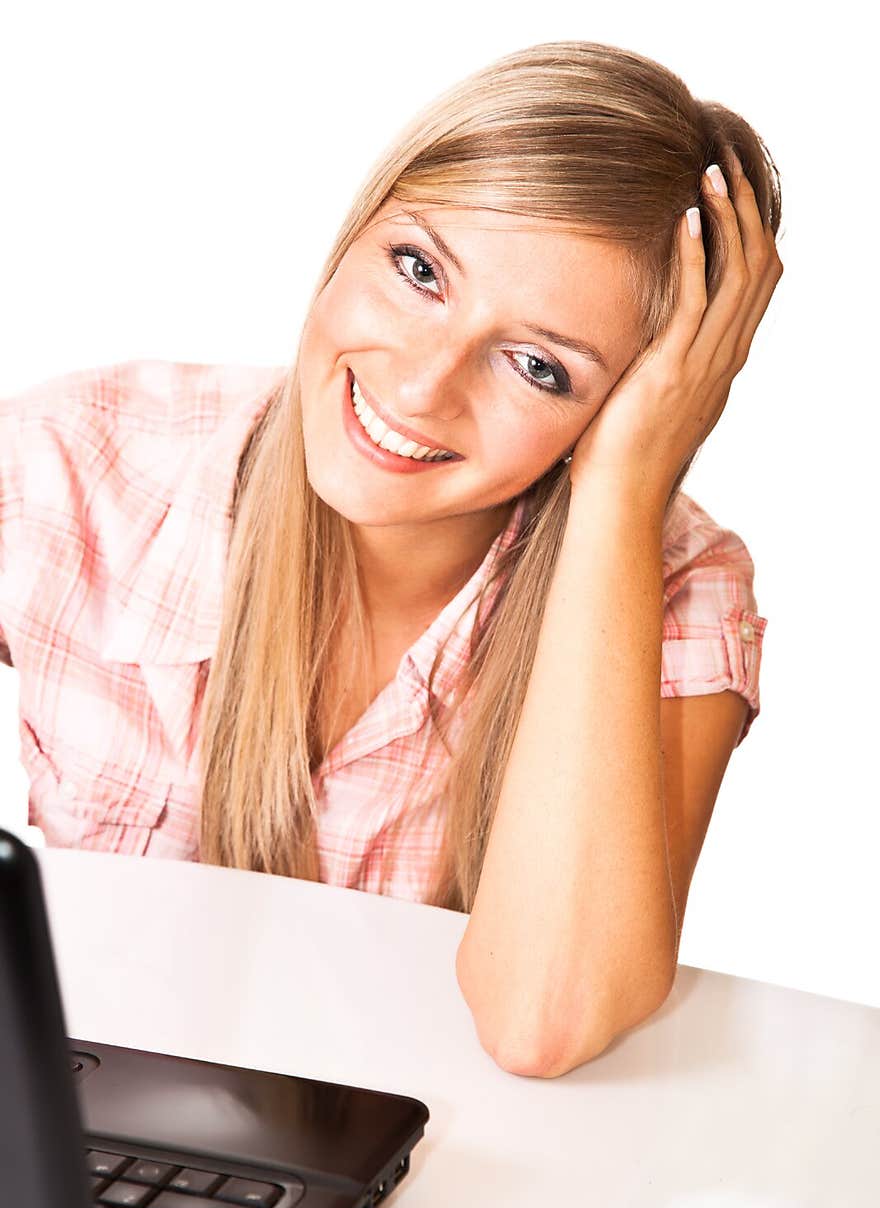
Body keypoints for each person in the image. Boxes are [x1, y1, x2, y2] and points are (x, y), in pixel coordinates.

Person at [0, 40, 782, 1077]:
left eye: (539, 367)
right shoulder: (75, 467)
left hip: (437, 1186)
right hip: (105, 1169)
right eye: (418, 271)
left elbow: (545, 1020)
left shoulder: (678, 586)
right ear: (358, 226)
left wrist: (623, 486)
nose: (420, 389)